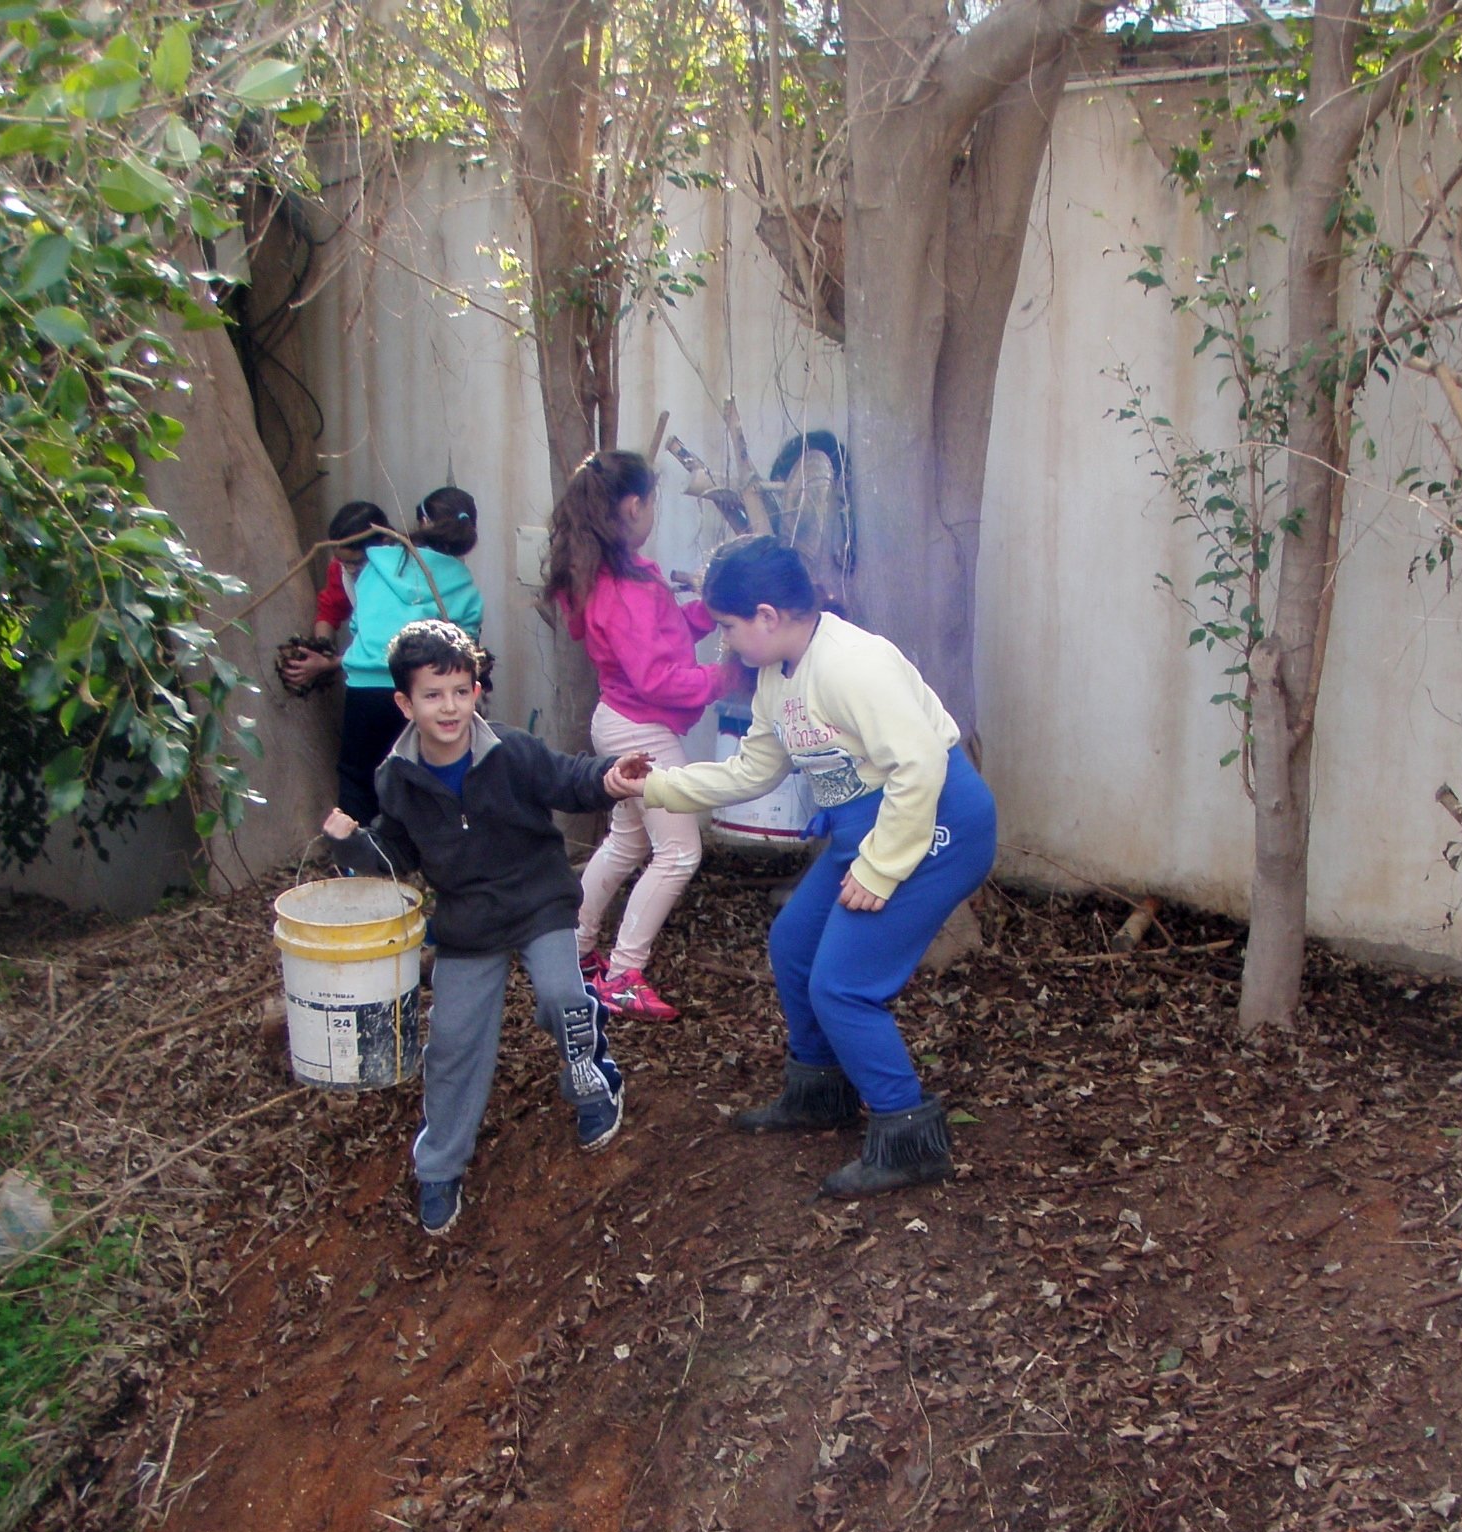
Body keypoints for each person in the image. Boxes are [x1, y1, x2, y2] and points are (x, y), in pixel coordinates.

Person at [616, 536, 996, 1198]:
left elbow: (921, 766)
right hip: (870, 829)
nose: (726, 643)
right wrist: (653, 787)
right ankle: (820, 1093)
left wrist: (878, 872)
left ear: (766, 615)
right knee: (794, 943)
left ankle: (908, 1136)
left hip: (936, 825)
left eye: (728, 627)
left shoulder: (852, 664)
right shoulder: (776, 675)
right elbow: (753, 769)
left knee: (844, 985)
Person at [324, 621, 647, 1236]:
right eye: (433, 694)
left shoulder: (512, 750)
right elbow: (398, 853)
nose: (450, 707)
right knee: (451, 1044)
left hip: (539, 902)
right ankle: (440, 1166)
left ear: (476, 691)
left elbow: (568, 779)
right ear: (405, 703)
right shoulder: (397, 777)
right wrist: (356, 846)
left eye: (461, 691)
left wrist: (610, 777)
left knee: (562, 998)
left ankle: (594, 1085)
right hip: (469, 922)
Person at [543, 450, 745, 1022]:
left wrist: (709, 611)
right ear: (634, 505)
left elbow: (663, 633)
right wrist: (731, 674)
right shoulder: (625, 587)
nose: (653, 510)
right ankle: (623, 975)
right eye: (653, 501)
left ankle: (574, 949)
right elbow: (658, 676)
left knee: (628, 842)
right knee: (680, 851)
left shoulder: (614, 572)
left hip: (621, 720)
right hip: (643, 731)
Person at [333, 488, 485, 829]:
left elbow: (359, 624)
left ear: (423, 523)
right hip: (417, 692)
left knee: (356, 775)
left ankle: (357, 865)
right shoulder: (465, 587)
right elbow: (464, 648)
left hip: (362, 689)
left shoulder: (376, 565)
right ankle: (417, 858)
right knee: (416, 776)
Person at [278, 500, 391, 697]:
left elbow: (385, 647)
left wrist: (329, 664)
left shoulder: (402, 577)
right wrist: (321, 649)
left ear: (384, 544)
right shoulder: (342, 571)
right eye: (343, 562)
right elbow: (330, 610)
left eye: (357, 562)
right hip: (363, 681)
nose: (349, 569)